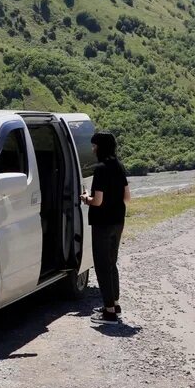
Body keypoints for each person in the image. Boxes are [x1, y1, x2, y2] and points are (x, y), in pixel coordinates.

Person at [83, 131, 131, 323]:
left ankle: (109, 312)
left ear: (100, 147)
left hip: (102, 223)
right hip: (118, 221)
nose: (93, 149)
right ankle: (115, 303)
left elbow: (98, 201)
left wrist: (86, 198)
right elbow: (127, 197)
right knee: (112, 263)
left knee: (102, 265)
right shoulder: (119, 166)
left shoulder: (101, 168)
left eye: (94, 146)